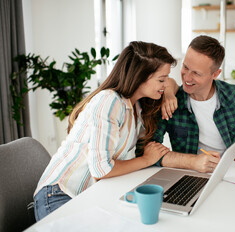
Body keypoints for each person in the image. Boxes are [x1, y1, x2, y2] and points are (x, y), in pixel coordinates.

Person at [33, 41, 177, 221]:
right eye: (161, 80)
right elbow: (101, 169)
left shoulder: (136, 107)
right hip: (59, 194)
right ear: (140, 76)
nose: (165, 84)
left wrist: (169, 92)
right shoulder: (109, 101)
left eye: (165, 79)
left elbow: (172, 82)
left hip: (91, 194)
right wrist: (146, 159)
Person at [154, 35, 235, 173]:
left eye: (196, 73)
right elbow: (148, 149)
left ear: (215, 74)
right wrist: (191, 162)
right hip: (190, 174)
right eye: (185, 67)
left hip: (234, 172)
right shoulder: (170, 101)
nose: (187, 77)